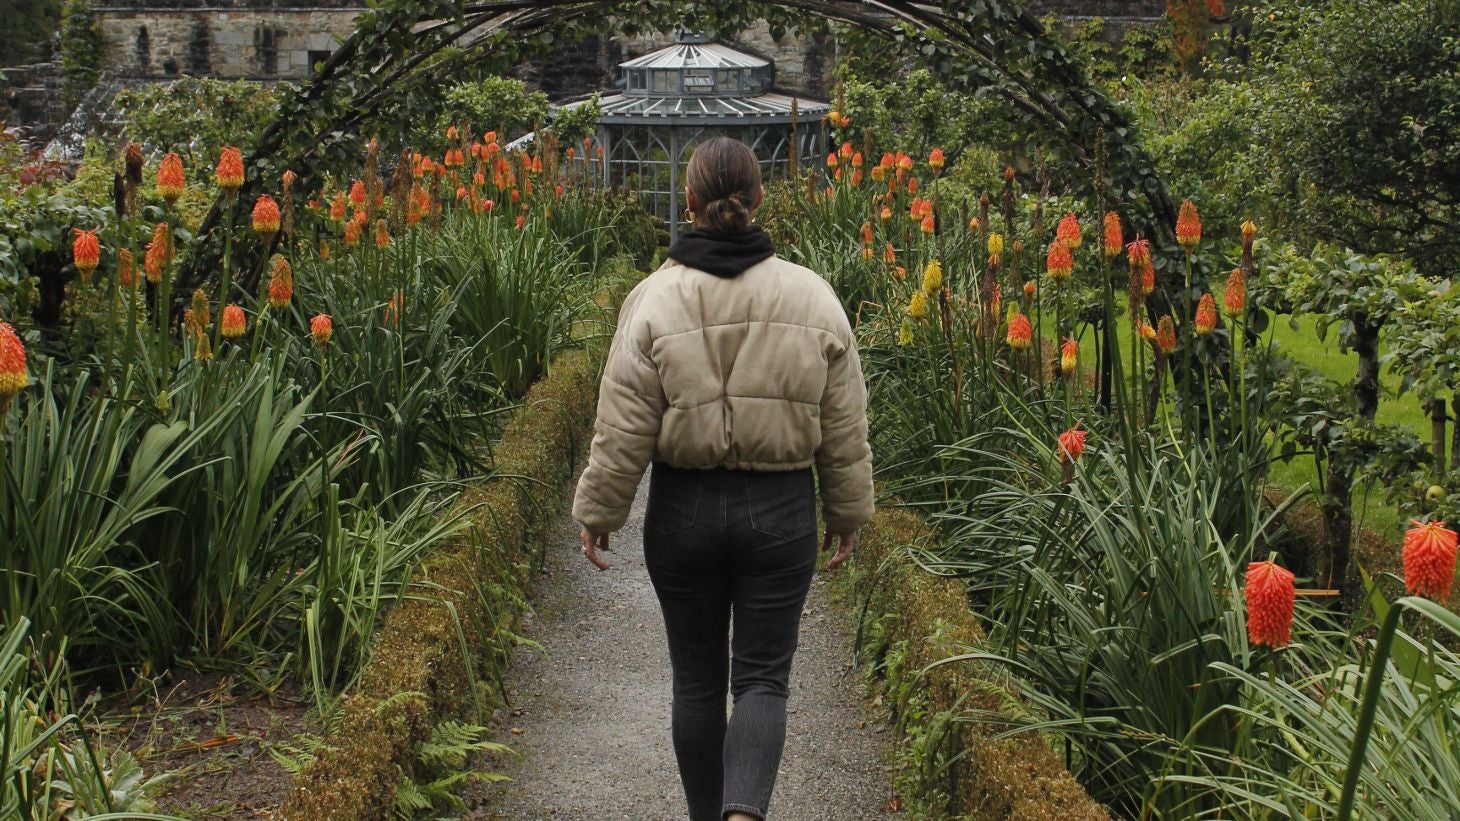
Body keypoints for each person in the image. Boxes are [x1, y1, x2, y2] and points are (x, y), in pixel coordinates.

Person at [570, 136, 874, 821]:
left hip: (682, 509)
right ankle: (745, 814)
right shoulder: (813, 296)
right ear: (760, 198)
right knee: (764, 678)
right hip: (781, 510)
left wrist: (600, 510)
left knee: (698, 682)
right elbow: (846, 420)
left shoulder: (653, 298)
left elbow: (621, 423)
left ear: (689, 202)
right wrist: (847, 512)